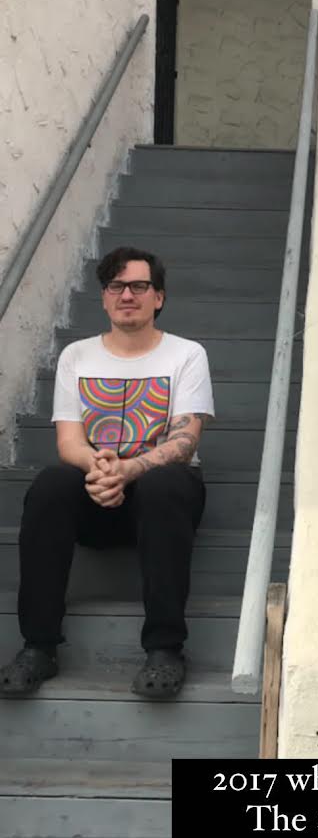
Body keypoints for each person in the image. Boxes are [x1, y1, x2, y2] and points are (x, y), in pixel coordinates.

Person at [0, 246, 215, 700]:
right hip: (101, 494)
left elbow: (185, 440)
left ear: (159, 297)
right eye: (116, 286)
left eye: (139, 286)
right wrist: (100, 469)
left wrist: (131, 467)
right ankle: (38, 646)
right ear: (103, 298)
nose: (127, 295)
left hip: (162, 498)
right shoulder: (76, 357)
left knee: (165, 481)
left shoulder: (187, 355)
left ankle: (164, 649)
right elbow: (69, 443)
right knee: (51, 484)